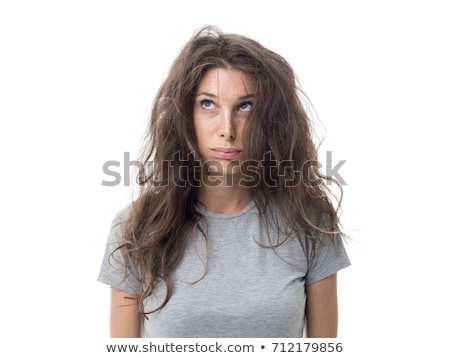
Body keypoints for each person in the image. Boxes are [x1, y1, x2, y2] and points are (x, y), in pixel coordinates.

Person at [98, 25, 350, 338]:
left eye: (246, 106)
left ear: (270, 118)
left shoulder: (311, 222)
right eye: (208, 104)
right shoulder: (135, 227)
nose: (227, 129)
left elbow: (322, 349)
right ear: (184, 114)